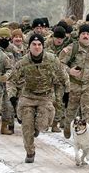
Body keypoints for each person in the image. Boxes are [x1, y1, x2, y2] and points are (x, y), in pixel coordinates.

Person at [7, 34, 70, 163]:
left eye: (39, 45)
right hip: (28, 96)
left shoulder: (52, 60)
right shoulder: (23, 62)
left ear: (43, 46)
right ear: (29, 47)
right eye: (34, 45)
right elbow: (11, 80)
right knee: (26, 125)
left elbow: (63, 76)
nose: (37, 47)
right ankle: (30, 152)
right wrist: (12, 96)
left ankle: (38, 127)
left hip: (45, 96)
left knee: (42, 124)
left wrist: (67, 92)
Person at [59, 24, 89, 140]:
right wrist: (69, 71)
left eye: (87, 34)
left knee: (88, 112)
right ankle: (67, 128)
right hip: (74, 84)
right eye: (83, 34)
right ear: (79, 36)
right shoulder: (71, 49)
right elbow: (59, 64)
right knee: (71, 111)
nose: (85, 36)